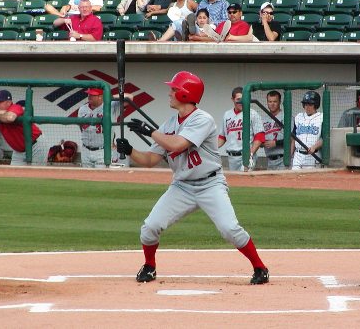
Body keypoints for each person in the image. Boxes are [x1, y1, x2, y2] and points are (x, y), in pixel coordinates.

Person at [115, 71, 269, 285]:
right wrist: (131, 150)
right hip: (181, 187)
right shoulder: (169, 124)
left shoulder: (202, 119)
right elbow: (150, 159)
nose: (170, 93)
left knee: (229, 229)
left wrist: (150, 131)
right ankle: (150, 266)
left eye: (174, 89)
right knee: (150, 227)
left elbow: (178, 144)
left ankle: (260, 268)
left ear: (186, 94)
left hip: (210, 184)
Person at [0, 89, 47, 166]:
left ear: (9, 102)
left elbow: (10, 118)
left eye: (0, 102)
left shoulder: (16, 107)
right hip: (18, 150)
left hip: (35, 145)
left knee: (36, 174)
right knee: (14, 174)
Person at [76, 87, 131, 168]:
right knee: (86, 177)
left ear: (101, 96)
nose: (89, 96)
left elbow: (130, 97)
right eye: (89, 94)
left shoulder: (111, 106)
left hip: (102, 151)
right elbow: (81, 127)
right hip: (86, 150)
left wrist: (109, 97)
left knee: (101, 177)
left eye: (93, 94)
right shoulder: (82, 109)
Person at [218, 86, 265, 171]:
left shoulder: (253, 113)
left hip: (246, 155)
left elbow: (260, 136)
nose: (241, 102)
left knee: (244, 176)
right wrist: (210, 147)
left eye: (243, 99)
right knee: (235, 181)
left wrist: (250, 153)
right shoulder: (227, 115)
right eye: (238, 99)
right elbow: (222, 137)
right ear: (232, 99)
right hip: (231, 157)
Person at [291, 90, 323, 170]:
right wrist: (290, 155)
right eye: (305, 104)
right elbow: (294, 138)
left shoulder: (322, 117)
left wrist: (315, 147)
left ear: (316, 105)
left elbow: (325, 138)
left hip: (313, 156)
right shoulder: (298, 117)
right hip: (298, 155)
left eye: (310, 104)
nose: (307, 107)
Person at [263, 90, 285, 170]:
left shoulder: (286, 117)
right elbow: (260, 137)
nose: (272, 104)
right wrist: (262, 143)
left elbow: (291, 139)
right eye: (270, 101)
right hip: (269, 161)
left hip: (283, 159)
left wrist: (276, 143)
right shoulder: (263, 119)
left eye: (275, 101)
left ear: (279, 102)